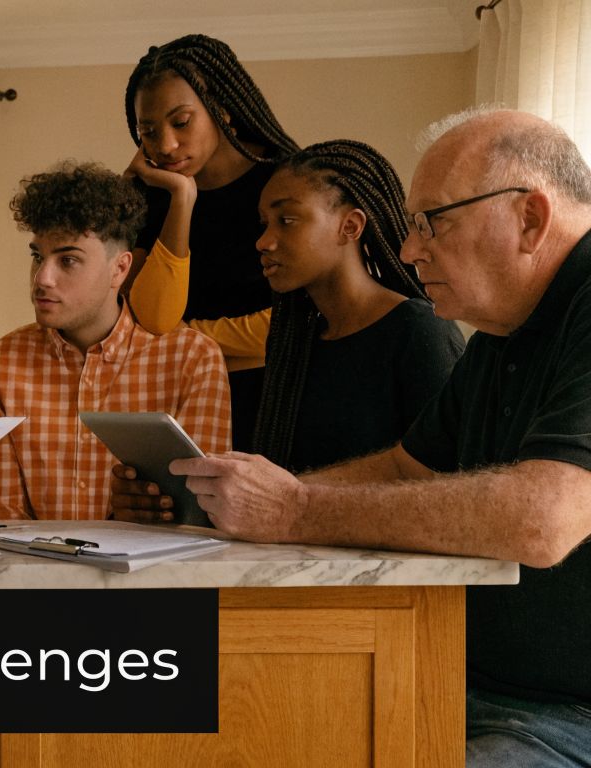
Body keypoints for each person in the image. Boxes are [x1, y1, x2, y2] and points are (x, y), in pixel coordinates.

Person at [134, 109, 591, 766]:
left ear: (530, 219)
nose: (409, 250)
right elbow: (410, 468)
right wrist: (247, 504)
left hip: (565, 715)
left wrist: (293, 510)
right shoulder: (505, 331)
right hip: (453, 674)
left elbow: (544, 520)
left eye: (434, 221)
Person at [0, 162, 231, 520]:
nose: (42, 278)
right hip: (32, 574)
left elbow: (203, 514)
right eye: (38, 256)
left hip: (158, 575)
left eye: (68, 260)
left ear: (120, 268)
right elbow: (0, 516)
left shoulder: (192, 358)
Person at [123, 33, 299, 451]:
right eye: (148, 131)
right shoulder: (154, 194)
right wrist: (181, 199)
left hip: (277, 399)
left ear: (221, 109)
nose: (165, 145)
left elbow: (296, 322)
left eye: (181, 122)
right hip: (179, 402)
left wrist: (189, 337)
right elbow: (146, 319)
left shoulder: (287, 183)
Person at [251, 140, 464, 472]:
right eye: (264, 224)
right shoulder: (295, 343)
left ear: (350, 226)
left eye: (287, 219)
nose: (263, 242)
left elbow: (446, 478)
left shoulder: (419, 331)